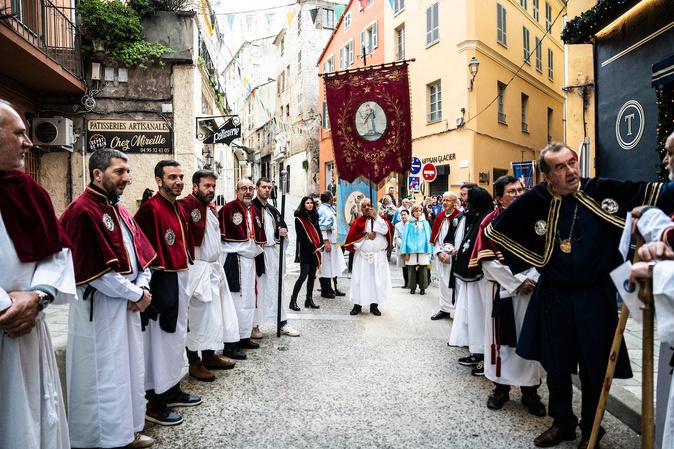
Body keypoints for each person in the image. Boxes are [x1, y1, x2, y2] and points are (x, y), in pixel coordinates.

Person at [485, 142, 674, 448]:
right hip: (554, 295)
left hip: (595, 296)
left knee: (594, 366)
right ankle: (563, 423)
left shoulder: (601, 189)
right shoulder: (535, 200)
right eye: (560, 167)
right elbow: (496, 231)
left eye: (572, 162)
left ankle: (592, 427)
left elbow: (659, 193)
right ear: (546, 175)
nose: (571, 171)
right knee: (556, 365)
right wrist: (533, 264)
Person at [61, 149, 157, 448]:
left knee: (128, 370)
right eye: (119, 172)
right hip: (100, 309)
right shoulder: (82, 211)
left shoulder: (120, 208)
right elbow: (96, 272)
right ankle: (103, 439)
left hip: (127, 305)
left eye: (127, 171)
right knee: (104, 374)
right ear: (97, 174)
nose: (127, 178)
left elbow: (141, 257)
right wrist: (137, 294)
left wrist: (142, 287)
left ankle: (127, 431)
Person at [0, 100, 76, 449]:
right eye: (19, 133)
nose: (28, 143)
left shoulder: (28, 191)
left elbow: (58, 254)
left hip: (27, 327)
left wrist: (38, 296)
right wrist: (6, 306)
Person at [468, 175, 546, 417]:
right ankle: (501, 389)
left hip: (532, 289)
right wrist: (516, 282)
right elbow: (486, 260)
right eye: (511, 191)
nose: (518, 194)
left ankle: (530, 392)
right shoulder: (490, 223)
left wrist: (532, 277)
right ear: (499, 197)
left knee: (530, 338)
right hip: (503, 291)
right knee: (502, 342)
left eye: (520, 190)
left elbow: (544, 252)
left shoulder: (536, 219)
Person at [135, 160, 201, 426]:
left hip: (180, 276)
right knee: (158, 342)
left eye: (181, 177)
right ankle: (155, 400)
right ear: (159, 181)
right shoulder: (150, 210)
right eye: (172, 177)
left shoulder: (178, 207)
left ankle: (171, 388)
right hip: (162, 281)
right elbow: (143, 251)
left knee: (175, 338)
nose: (179, 181)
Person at [179, 170, 239, 382]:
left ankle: (209, 355)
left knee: (213, 317)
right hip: (197, 270)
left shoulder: (209, 207)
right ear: (195, 186)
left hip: (213, 268)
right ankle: (194, 363)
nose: (211, 190)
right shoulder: (185, 206)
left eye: (213, 186)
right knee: (197, 318)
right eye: (207, 186)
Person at [219, 178, 266, 357]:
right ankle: (232, 342)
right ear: (236, 190)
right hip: (235, 262)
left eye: (250, 188)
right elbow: (222, 241)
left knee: (248, 300)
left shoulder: (254, 210)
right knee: (235, 302)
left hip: (250, 262)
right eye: (244, 188)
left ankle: (244, 335)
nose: (247, 192)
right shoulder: (227, 210)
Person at [450, 187, 494, 377]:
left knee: (483, 318)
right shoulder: (475, 217)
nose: (466, 204)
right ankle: (477, 351)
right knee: (473, 317)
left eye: (470, 201)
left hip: (482, 278)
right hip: (471, 277)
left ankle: (486, 358)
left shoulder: (487, 218)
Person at [252, 177, 300, 336]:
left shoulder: (273, 210)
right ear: (257, 188)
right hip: (258, 254)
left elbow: (282, 230)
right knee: (258, 288)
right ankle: (254, 325)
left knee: (277, 288)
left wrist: (282, 233)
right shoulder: (250, 209)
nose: (266, 190)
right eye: (263, 187)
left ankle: (282, 323)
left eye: (269, 188)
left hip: (273, 255)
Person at [343, 198, 394, 316]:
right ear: (361, 209)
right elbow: (353, 239)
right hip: (363, 257)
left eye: (369, 205)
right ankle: (357, 305)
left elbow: (386, 230)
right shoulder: (357, 222)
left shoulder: (380, 219)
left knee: (376, 281)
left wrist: (376, 217)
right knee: (359, 281)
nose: (366, 208)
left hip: (378, 257)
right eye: (364, 206)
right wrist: (366, 235)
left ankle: (374, 305)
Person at [447, 182, 477, 349]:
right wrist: (450, 248)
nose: (461, 198)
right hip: (457, 265)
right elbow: (449, 239)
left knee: (469, 305)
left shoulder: (478, 218)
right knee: (459, 301)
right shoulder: (458, 218)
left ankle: (470, 337)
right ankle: (461, 335)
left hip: (470, 268)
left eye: (464, 195)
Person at [429, 191, 460, 320]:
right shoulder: (440, 217)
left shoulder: (460, 217)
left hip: (454, 257)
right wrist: (438, 252)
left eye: (448, 200)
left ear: (454, 203)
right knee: (442, 284)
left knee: (455, 285)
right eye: (444, 200)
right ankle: (444, 309)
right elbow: (435, 238)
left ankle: (457, 311)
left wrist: (450, 255)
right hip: (441, 255)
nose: (445, 203)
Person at [290, 196, 324, 310]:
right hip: (305, 250)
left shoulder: (315, 216)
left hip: (315, 250)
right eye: (307, 203)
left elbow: (318, 231)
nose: (310, 205)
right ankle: (293, 300)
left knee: (312, 276)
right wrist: (312, 247)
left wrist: (321, 244)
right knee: (303, 275)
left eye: (311, 203)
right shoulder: (299, 219)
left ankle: (309, 300)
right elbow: (301, 236)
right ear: (303, 204)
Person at [317, 191, 347, 299]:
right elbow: (322, 228)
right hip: (328, 242)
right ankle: (325, 290)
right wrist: (326, 242)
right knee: (326, 267)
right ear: (330, 198)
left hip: (334, 242)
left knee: (333, 266)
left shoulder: (329, 208)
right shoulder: (324, 210)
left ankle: (333, 288)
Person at [400, 204, 433, 295]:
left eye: (420, 211)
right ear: (413, 212)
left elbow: (429, 236)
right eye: (416, 211)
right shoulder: (408, 223)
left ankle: (423, 287)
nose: (418, 213)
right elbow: (405, 237)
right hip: (411, 249)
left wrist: (430, 248)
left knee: (423, 268)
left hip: (423, 249)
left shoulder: (425, 223)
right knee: (411, 268)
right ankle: (412, 287)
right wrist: (404, 249)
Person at [394, 209, 410, 288]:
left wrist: (409, 244)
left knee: (411, 266)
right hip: (401, 248)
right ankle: (406, 283)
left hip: (411, 248)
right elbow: (396, 237)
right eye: (402, 215)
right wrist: (402, 244)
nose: (403, 216)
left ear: (408, 215)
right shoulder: (397, 225)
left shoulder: (411, 224)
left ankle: (412, 283)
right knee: (404, 267)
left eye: (405, 214)